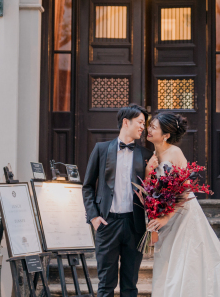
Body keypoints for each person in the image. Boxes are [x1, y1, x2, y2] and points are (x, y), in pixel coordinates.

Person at [145, 111, 220, 297]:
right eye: (150, 126)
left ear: (166, 135)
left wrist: (166, 218)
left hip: (182, 215)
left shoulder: (175, 152)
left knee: (187, 263)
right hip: (165, 219)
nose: (148, 129)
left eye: (153, 127)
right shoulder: (153, 154)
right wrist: (149, 171)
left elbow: (185, 188)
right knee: (167, 263)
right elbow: (150, 190)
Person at [81, 104, 153, 297]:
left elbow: (152, 192)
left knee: (130, 285)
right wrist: (94, 217)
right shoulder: (101, 149)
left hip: (135, 225)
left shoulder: (146, 155)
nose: (142, 127)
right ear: (125, 122)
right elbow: (87, 185)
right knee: (105, 284)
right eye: (140, 122)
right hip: (107, 223)